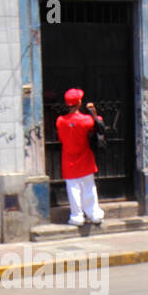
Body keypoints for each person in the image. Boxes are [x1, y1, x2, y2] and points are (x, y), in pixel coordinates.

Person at [55, 88, 105, 227]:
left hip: (68, 159)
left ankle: (77, 216)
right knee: (89, 187)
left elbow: (60, 138)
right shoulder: (85, 120)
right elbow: (98, 123)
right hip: (85, 158)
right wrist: (94, 112)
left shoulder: (60, 121)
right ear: (78, 103)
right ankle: (94, 214)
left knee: (73, 189)